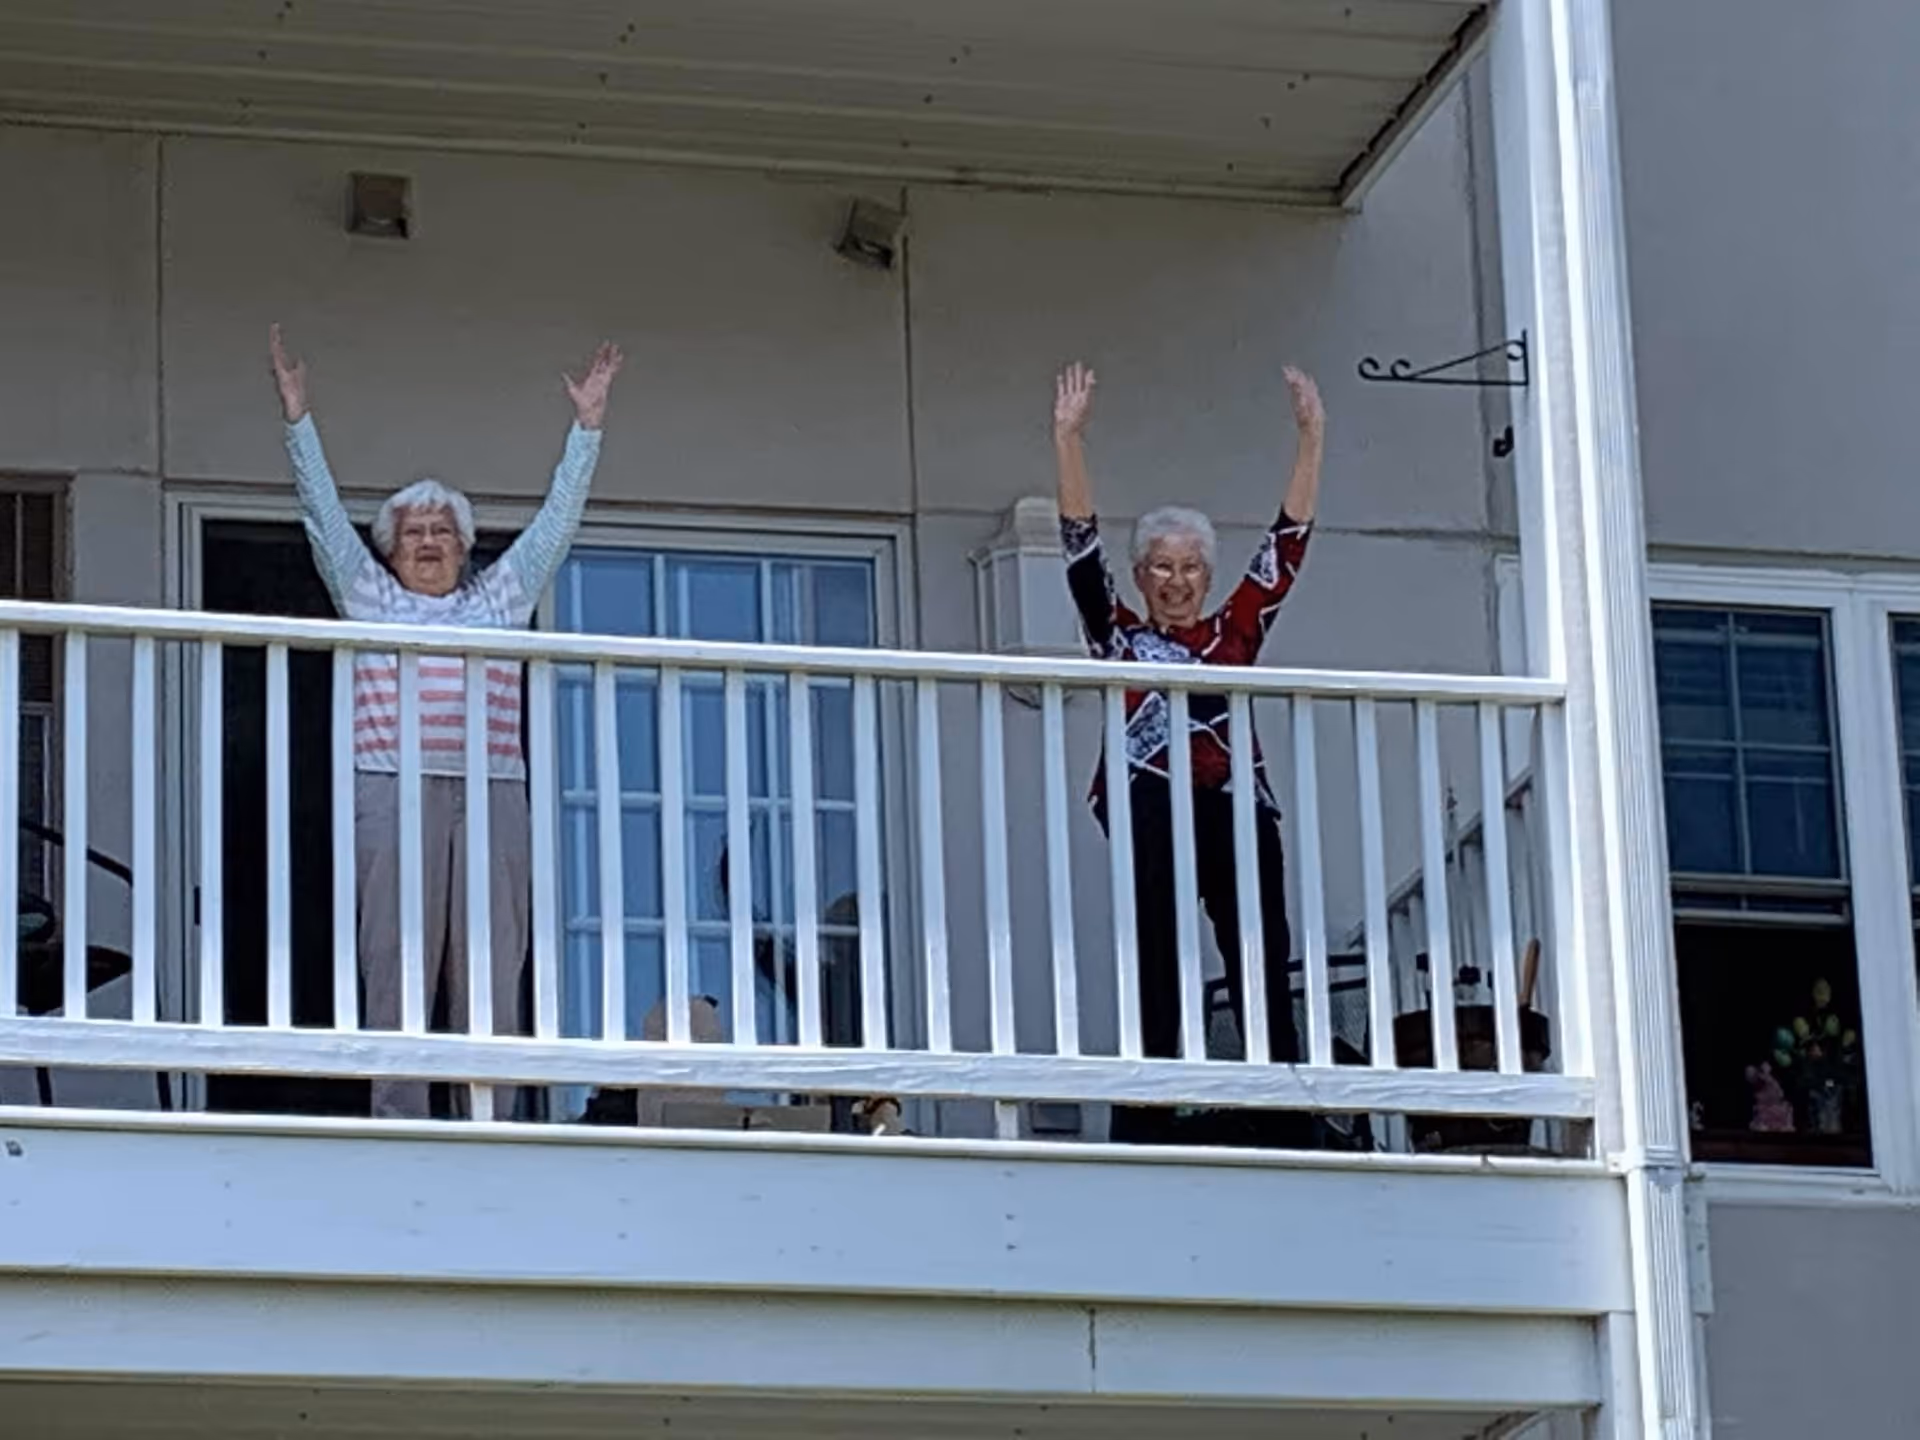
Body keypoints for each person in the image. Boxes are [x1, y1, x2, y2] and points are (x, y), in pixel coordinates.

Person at [269, 324, 623, 1119]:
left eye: (443, 532)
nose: (428, 543)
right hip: (391, 790)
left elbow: (554, 530)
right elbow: (323, 517)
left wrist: (587, 430)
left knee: (492, 963)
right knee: (396, 959)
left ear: (466, 548)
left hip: (492, 790)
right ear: (390, 552)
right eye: (413, 533)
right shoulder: (369, 596)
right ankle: (401, 1119)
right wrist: (299, 419)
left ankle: (487, 1118)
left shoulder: (501, 597)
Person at [1051, 359, 1325, 1146]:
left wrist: (1311, 438)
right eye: (1161, 568)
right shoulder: (1120, 634)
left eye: (1191, 566)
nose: (1176, 580)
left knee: (1257, 939)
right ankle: (1154, 1092)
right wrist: (1068, 441)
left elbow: (1287, 548)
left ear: (1208, 574)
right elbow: (1078, 547)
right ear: (1142, 576)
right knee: (1159, 938)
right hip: (1147, 797)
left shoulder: (1233, 633)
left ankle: (1282, 1096)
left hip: (1236, 801)